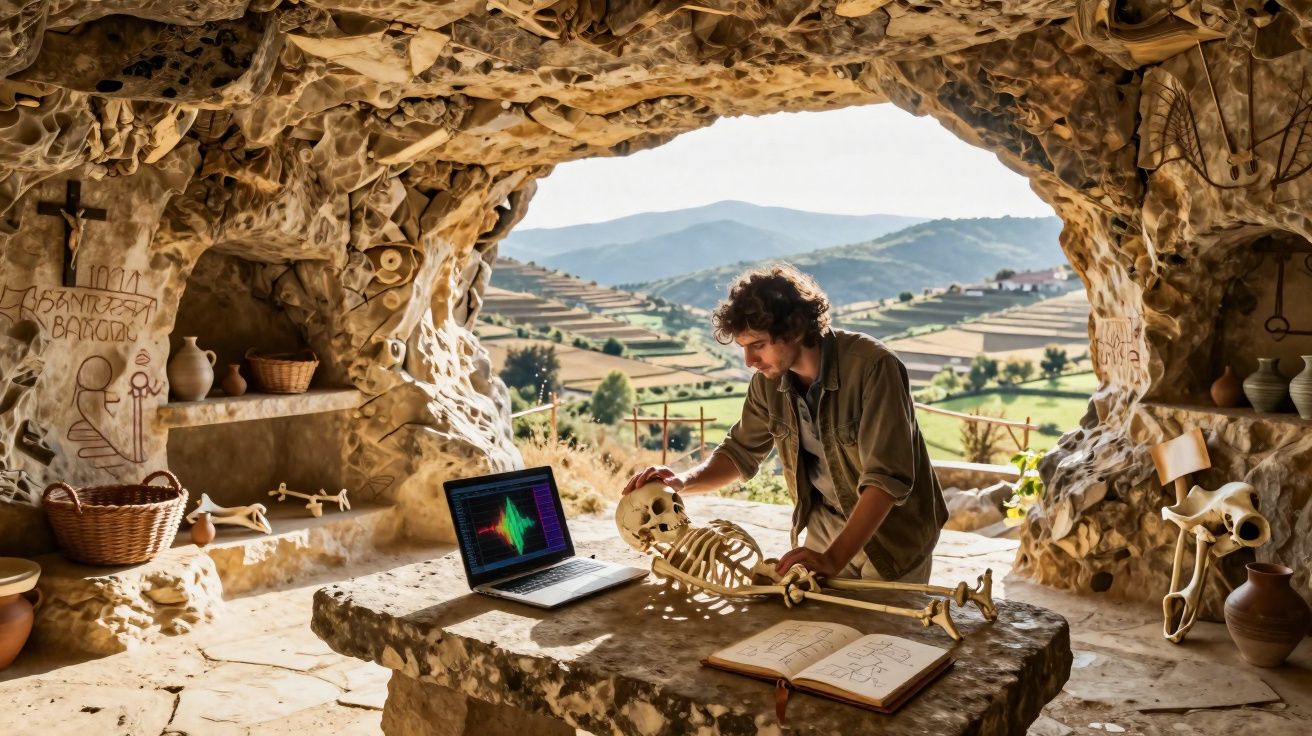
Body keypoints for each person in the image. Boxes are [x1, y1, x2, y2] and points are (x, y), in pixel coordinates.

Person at [623, 264, 947, 583]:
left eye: (758, 345)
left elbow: (886, 481)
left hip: (891, 535)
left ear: (794, 330)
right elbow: (739, 452)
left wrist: (833, 559)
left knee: (882, 636)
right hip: (825, 525)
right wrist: (679, 483)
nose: (749, 361)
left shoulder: (875, 368)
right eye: (743, 348)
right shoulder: (768, 382)